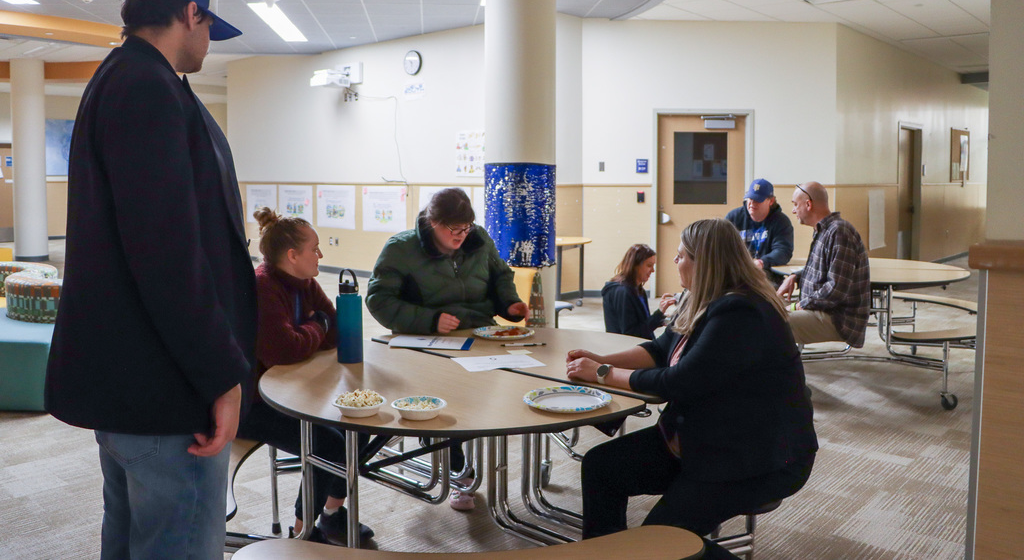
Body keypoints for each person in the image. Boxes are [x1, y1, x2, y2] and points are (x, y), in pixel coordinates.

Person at [44, 0, 257, 560]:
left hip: (131, 383)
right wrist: (221, 373)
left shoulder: (120, 79)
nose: (209, 42)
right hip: (164, 389)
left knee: (134, 537)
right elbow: (166, 253)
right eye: (210, 26)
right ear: (191, 14)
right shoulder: (147, 88)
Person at [566, 219, 817, 560]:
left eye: (682, 254)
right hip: (704, 440)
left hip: (755, 457)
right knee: (601, 467)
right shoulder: (701, 298)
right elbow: (659, 350)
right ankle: (605, 555)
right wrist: (600, 358)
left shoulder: (742, 311)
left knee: (660, 544)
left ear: (705, 262)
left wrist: (603, 373)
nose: (675, 261)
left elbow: (679, 380)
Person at [366, 187, 528, 510]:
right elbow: (378, 300)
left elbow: (499, 275)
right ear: (433, 221)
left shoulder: (477, 237)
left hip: (480, 335)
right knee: (450, 403)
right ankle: (458, 472)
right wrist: (430, 320)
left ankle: (459, 463)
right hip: (426, 346)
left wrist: (509, 303)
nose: (461, 235)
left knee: (510, 385)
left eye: (466, 227)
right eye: (453, 229)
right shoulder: (402, 249)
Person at [236, 208, 374, 545]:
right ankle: (302, 534)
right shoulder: (262, 287)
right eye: (315, 249)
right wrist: (316, 324)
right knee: (328, 444)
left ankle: (330, 515)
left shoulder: (306, 282)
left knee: (361, 424)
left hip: (295, 390)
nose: (321, 255)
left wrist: (310, 329)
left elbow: (336, 330)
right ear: (292, 255)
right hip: (252, 404)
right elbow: (285, 350)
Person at [777, 182, 871, 348]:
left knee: (772, 322)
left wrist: (800, 305)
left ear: (808, 204)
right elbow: (824, 269)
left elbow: (836, 290)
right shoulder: (823, 230)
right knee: (762, 306)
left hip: (839, 318)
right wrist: (796, 277)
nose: (793, 211)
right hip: (821, 309)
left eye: (795, 205)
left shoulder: (839, 232)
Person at [724, 178, 794, 285]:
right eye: (750, 198)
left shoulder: (781, 222)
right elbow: (722, 246)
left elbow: (783, 251)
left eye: (757, 200)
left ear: (771, 201)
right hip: (737, 272)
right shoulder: (733, 218)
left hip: (767, 274)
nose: (752, 203)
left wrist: (762, 262)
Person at [601, 244, 676, 340]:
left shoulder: (638, 289)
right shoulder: (623, 293)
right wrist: (659, 313)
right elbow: (631, 335)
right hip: (626, 348)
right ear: (635, 266)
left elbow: (643, 324)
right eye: (649, 265)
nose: (653, 270)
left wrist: (663, 318)